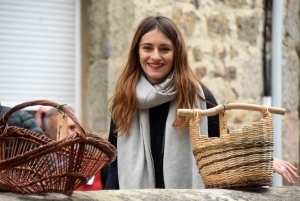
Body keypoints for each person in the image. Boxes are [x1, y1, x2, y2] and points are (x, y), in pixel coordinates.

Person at [105, 15, 298, 189]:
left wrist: (259, 159)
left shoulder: (197, 97)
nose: (155, 56)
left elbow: (223, 145)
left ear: (176, 53)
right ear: (137, 52)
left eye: (164, 49)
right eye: (148, 48)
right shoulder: (125, 101)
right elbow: (115, 162)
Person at [35, 106, 109, 190]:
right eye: (62, 130)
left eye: (73, 127)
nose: (71, 134)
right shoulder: (39, 170)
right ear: (48, 136)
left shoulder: (101, 166)